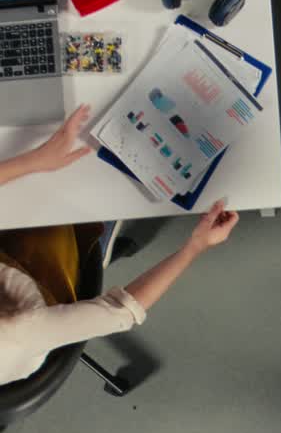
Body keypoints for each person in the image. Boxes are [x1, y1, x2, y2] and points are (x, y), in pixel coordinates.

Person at [0, 104, 239, 385]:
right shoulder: (23, 329)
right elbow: (122, 309)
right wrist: (196, 245)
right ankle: (99, 245)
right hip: (40, 289)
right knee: (100, 194)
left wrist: (36, 161)